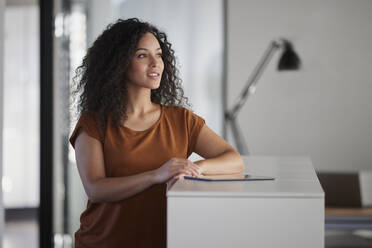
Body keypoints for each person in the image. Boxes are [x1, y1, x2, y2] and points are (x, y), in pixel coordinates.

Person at [70, 18, 244, 248]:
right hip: (103, 242)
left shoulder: (181, 119)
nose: (156, 63)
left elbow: (234, 159)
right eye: (142, 55)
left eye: (159, 54)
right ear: (118, 63)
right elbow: (96, 188)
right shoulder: (93, 123)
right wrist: (156, 175)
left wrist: (192, 168)